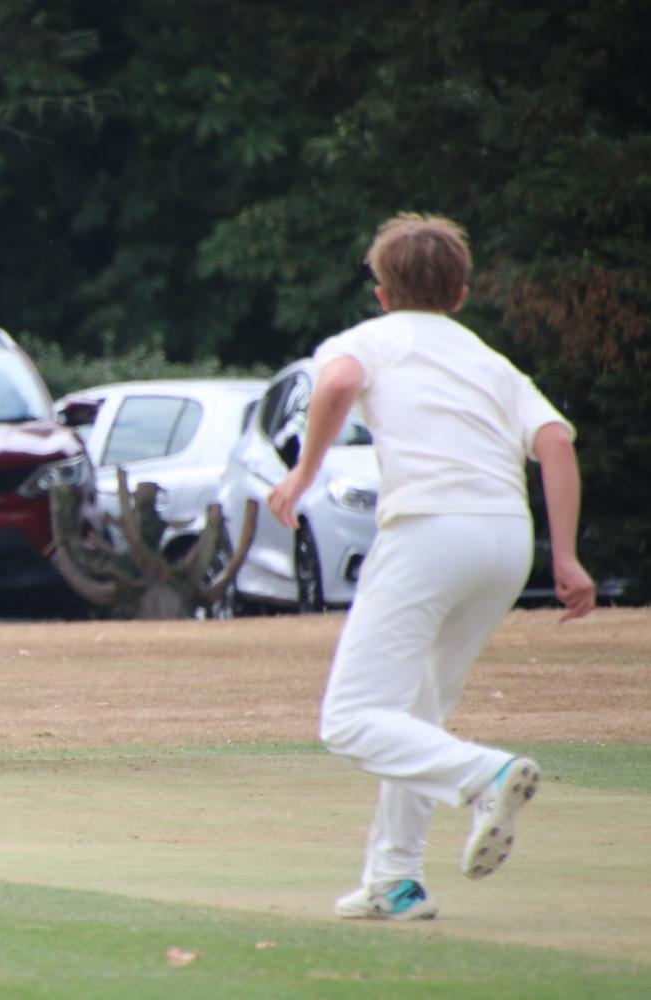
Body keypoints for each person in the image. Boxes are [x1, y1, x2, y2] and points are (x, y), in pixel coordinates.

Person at [267, 213, 596, 921]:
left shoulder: (366, 340)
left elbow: (335, 386)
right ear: (461, 294)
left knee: (352, 721)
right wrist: (565, 557)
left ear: (382, 292)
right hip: (507, 541)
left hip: (429, 532)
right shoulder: (489, 360)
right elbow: (555, 443)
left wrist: (300, 477)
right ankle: (395, 880)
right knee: (417, 716)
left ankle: (486, 774)